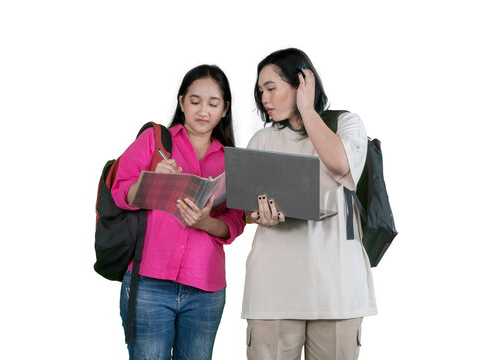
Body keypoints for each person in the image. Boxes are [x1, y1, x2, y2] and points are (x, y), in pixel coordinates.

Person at [242, 48, 377, 360]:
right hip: (272, 293)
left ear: (303, 82)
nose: (264, 98)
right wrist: (258, 217)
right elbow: (246, 209)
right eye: (260, 91)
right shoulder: (262, 140)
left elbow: (341, 164)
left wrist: (307, 109)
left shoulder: (347, 125)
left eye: (272, 88)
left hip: (337, 292)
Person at [111, 64, 246, 360]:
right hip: (148, 283)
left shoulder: (231, 160)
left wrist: (206, 222)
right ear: (181, 101)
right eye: (195, 101)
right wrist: (152, 179)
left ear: (225, 110)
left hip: (206, 289)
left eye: (213, 103)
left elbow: (236, 222)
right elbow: (120, 192)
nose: (203, 110)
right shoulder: (155, 143)